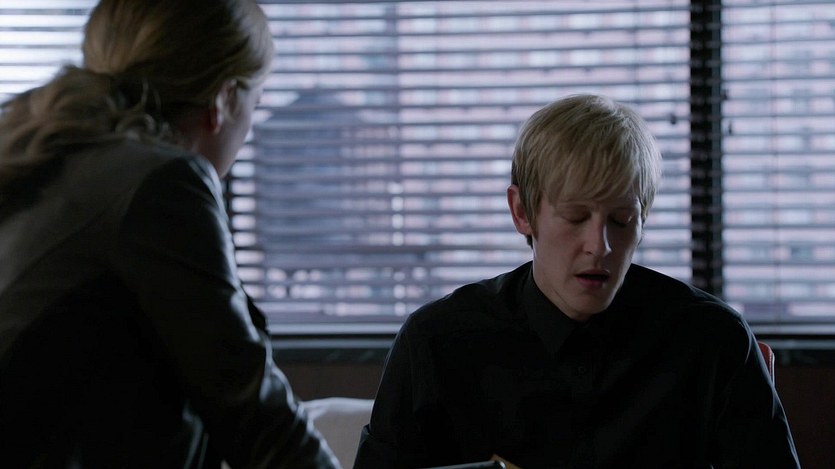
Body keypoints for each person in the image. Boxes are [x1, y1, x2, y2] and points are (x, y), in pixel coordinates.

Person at [354, 94, 800, 468]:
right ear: (522, 213)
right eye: (575, 216)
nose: (599, 246)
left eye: (621, 220)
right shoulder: (436, 343)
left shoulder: (712, 339)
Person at [0, 0, 340, 467]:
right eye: (255, 102)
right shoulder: (161, 182)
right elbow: (251, 409)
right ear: (223, 101)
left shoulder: (53, 159)